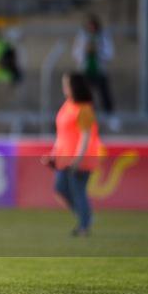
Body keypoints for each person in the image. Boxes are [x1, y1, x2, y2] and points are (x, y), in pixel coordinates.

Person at [41, 73, 103, 236]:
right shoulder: (68, 105)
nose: (64, 88)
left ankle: (84, 226)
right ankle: (86, 217)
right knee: (60, 188)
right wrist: (53, 153)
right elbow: (62, 134)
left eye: (67, 85)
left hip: (81, 157)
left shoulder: (84, 109)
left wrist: (78, 158)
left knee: (78, 190)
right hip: (64, 156)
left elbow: (86, 136)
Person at [72, 14, 115, 116]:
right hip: (85, 71)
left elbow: (109, 53)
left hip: (99, 70)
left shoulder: (103, 36)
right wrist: (85, 50)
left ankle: (109, 116)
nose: (91, 28)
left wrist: (98, 51)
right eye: (89, 26)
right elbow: (75, 53)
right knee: (85, 95)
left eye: (93, 26)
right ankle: (86, 115)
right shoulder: (82, 37)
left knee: (104, 94)